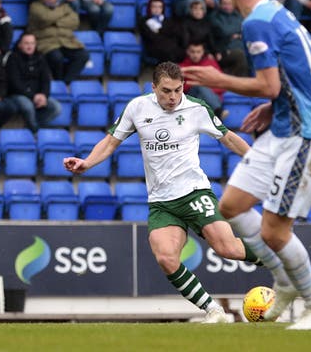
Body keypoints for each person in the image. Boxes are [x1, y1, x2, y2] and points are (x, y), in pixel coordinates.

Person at [184, 0, 311, 330]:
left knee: (274, 231)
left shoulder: (255, 24)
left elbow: (270, 81)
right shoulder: (282, 14)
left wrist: (217, 80)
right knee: (231, 205)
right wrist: (274, 103)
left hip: (304, 135)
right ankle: (284, 282)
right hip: (282, 127)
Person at [64, 62, 259, 324]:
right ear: (153, 87)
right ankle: (214, 310)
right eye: (166, 91)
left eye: (178, 90)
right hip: (161, 202)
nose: (173, 97)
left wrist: (256, 160)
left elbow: (229, 138)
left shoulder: (196, 108)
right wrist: (87, 162)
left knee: (228, 248)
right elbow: (111, 141)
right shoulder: (137, 108)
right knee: (166, 258)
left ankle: (282, 262)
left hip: (194, 192)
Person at [26, 0, 89, 84]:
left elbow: (75, 21)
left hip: (66, 41)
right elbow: (45, 18)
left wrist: (55, 22)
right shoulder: (35, 6)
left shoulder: (65, 6)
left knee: (83, 55)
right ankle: (59, 82)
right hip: (46, 43)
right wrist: (62, 14)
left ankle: (65, 83)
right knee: (56, 57)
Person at [5, 32, 61, 132]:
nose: (29, 46)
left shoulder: (40, 58)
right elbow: (14, 83)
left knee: (56, 107)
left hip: (37, 95)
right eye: (26, 43)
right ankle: (35, 132)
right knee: (28, 106)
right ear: (20, 45)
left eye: (32, 43)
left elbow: (45, 80)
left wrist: (44, 95)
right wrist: (32, 96)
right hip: (18, 95)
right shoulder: (13, 58)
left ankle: (33, 129)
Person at [179, 41, 227, 120]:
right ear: (188, 52)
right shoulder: (183, 67)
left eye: (198, 52)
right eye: (192, 52)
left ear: (203, 52)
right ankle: (218, 113)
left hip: (212, 98)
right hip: (191, 99)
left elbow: (221, 84)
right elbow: (179, 88)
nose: (195, 55)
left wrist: (207, 90)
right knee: (198, 86)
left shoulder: (211, 64)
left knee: (202, 89)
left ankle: (214, 113)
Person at [138, 0, 186, 64]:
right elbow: (151, 36)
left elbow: (175, 33)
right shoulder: (144, 21)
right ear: (149, 8)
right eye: (154, 7)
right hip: (153, 47)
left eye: (160, 7)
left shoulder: (168, 20)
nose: (157, 9)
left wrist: (159, 31)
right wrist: (165, 32)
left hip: (170, 46)